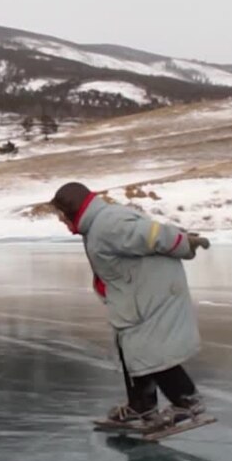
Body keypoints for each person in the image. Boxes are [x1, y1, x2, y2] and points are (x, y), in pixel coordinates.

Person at [50, 182, 210, 428]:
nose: (61, 220)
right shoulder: (96, 224)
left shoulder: (108, 223)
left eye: (61, 214)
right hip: (135, 293)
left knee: (149, 350)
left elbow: (152, 235)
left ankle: (188, 402)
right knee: (131, 348)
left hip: (153, 294)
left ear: (73, 208)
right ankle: (142, 405)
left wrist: (184, 242)